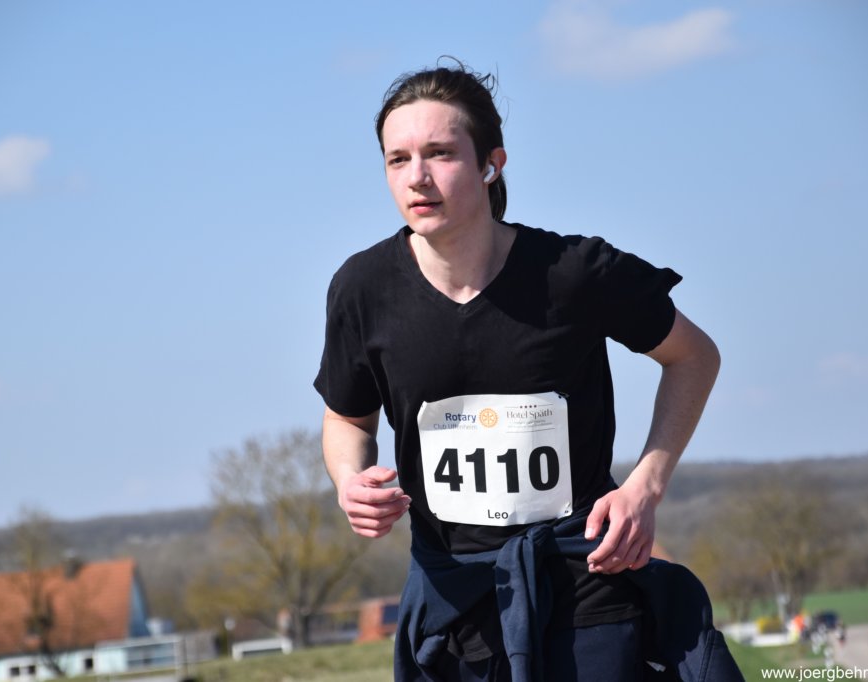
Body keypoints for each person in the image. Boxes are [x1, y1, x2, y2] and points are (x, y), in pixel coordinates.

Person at [315, 60, 736, 681]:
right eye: (397, 159)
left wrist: (645, 487)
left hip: (585, 582)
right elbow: (347, 419)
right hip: (454, 599)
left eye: (440, 153)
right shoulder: (362, 289)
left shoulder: (574, 273)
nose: (418, 177)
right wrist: (349, 480)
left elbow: (694, 356)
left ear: (492, 164)